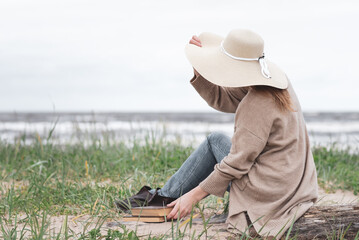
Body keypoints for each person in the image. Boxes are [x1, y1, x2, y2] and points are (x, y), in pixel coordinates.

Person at [116, 29, 318, 238]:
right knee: (217, 141)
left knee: (215, 141)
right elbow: (224, 99)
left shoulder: (256, 104)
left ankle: (165, 198)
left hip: (269, 191)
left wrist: (192, 197)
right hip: (290, 181)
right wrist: (200, 69)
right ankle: (166, 196)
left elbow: (236, 164)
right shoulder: (275, 82)